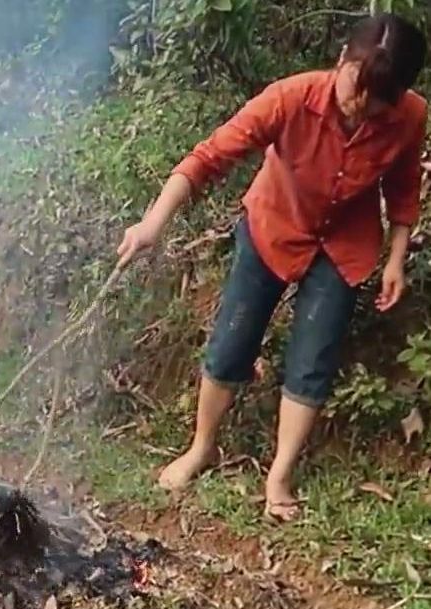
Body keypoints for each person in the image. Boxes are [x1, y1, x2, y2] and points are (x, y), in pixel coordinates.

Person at [118, 13, 427, 522]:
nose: (362, 106)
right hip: (273, 225)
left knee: (313, 358)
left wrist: (396, 259)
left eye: (379, 100)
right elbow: (207, 158)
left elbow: (403, 189)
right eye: (357, 87)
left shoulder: (410, 116)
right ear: (341, 60)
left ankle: (279, 475)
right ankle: (202, 448)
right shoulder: (291, 97)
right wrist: (153, 223)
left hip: (343, 244)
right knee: (231, 341)